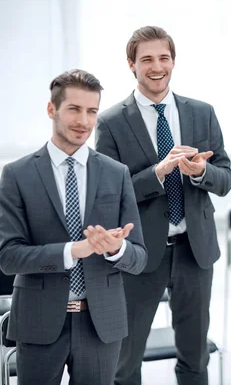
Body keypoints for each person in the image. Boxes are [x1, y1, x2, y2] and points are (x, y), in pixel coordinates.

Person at [95, 26, 231, 385]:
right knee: (126, 362)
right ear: (131, 65)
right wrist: (157, 172)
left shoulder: (202, 113)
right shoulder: (110, 123)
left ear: (173, 61)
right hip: (141, 255)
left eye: (163, 58)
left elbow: (226, 178)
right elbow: (107, 195)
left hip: (195, 250)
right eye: (147, 60)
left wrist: (202, 171)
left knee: (195, 358)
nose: (157, 67)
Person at [0, 69, 148, 385]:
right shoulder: (16, 175)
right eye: (74, 109)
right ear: (52, 109)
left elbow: (139, 257)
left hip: (101, 324)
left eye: (92, 111)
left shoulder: (116, 173)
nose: (84, 120)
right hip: (39, 321)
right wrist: (74, 251)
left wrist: (115, 248)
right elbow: (8, 257)